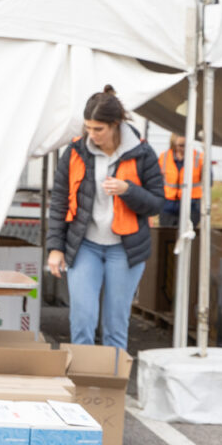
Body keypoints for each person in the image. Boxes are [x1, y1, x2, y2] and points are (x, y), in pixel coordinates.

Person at [46, 85, 164, 351]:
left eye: (98, 129)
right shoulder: (75, 151)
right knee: (82, 319)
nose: (92, 134)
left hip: (125, 249)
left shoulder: (143, 153)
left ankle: (113, 378)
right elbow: (59, 201)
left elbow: (157, 203)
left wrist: (128, 190)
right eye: (88, 128)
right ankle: (82, 377)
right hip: (84, 246)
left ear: (115, 125)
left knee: (115, 325)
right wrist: (55, 247)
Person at [158, 132, 204, 228]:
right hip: (168, 204)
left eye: (186, 145)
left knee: (187, 233)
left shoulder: (199, 158)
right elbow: (156, 180)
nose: (183, 149)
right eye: (181, 145)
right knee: (166, 233)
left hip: (191, 204)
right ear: (174, 144)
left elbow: (208, 182)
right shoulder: (164, 157)